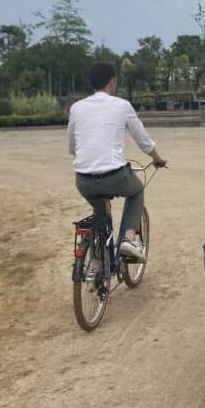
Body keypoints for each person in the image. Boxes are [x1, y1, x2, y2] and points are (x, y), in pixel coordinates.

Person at [68, 61, 167, 264]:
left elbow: (72, 147)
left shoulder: (76, 108)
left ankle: (96, 263)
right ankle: (129, 239)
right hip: (115, 176)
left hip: (83, 180)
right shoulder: (122, 106)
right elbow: (143, 141)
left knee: (100, 213)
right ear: (112, 82)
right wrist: (157, 159)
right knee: (137, 189)